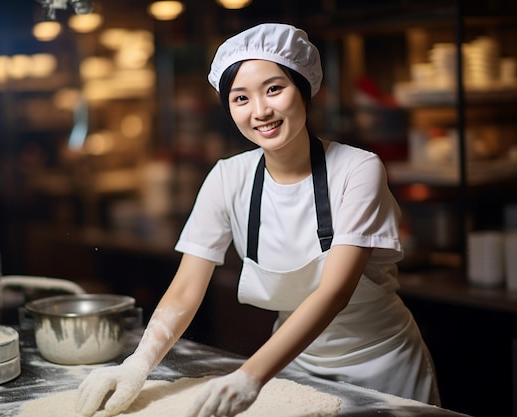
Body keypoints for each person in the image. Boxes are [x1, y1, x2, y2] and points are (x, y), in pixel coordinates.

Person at [76, 22, 440, 417]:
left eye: (274, 89)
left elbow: (334, 292)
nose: (260, 111)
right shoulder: (227, 177)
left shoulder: (358, 169)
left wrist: (250, 376)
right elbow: (185, 288)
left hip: (384, 370)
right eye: (240, 98)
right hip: (294, 365)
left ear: (303, 88)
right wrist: (138, 365)